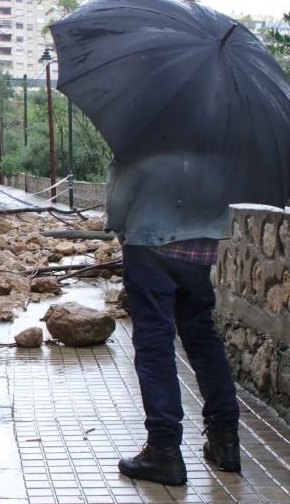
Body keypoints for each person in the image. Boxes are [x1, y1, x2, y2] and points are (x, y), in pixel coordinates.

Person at [106, 161, 241, 487]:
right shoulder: (220, 135)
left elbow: (121, 182)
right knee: (202, 335)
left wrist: (119, 227)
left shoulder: (151, 125)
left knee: (155, 340)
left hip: (149, 238)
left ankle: (164, 450)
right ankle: (225, 442)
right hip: (201, 241)